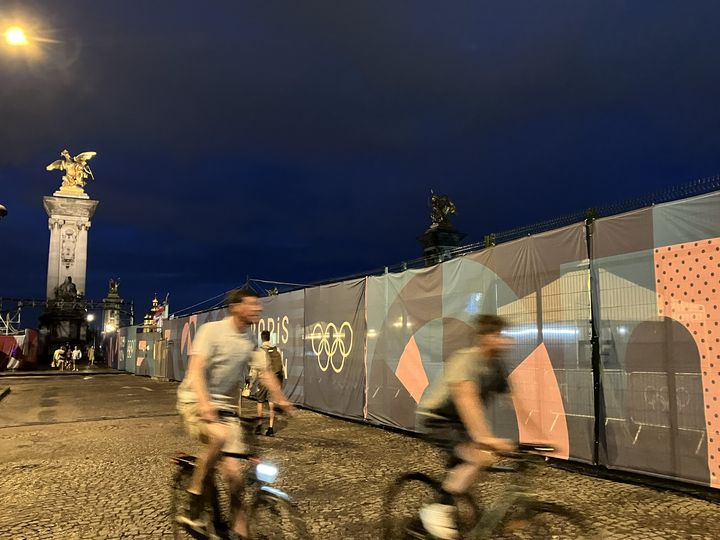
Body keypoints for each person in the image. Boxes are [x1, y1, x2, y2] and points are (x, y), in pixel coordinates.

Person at [176, 288, 294, 539]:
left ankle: (238, 531)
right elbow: (196, 371)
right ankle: (193, 503)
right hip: (195, 400)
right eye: (252, 305)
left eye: (258, 306)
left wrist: (282, 400)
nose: (258, 310)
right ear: (236, 307)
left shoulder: (250, 341)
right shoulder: (212, 331)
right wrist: (205, 404)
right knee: (218, 437)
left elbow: (265, 373)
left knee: (236, 478)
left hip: (227, 410)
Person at [416, 314, 516, 540]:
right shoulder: (466, 361)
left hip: (459, 421)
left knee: (471, 464)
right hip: (437, 418)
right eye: (496, 335)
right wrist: (486, 439)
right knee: (475, 458)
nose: (504, 340)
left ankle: (450, 502)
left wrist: (539, 437)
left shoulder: (497, 366)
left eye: (502, 334)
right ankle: (436, 510)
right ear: (483, 338)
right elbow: (467, 401)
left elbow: (515, 399)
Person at [254, 330, 285, 437]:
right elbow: (281, 368)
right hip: (274, 380)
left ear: (261, 338)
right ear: (269, 338)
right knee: (271, 404)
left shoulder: (259, 351)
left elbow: (254, 370)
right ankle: (270, 428)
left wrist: (251, 382)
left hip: (263, 380)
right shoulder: (277, 350)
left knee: (260, 402)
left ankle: (259, 425)